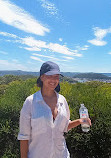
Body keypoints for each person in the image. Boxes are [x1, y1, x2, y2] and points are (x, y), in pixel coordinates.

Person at [18, 61, 91, 158]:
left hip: (62, 155)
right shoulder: (31, 102)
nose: (54, 80)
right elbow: (24, 137)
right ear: (42, 77)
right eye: (50, 76)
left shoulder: (62, 100)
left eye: (56, 76)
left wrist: (80, 121)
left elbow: (63, 127)